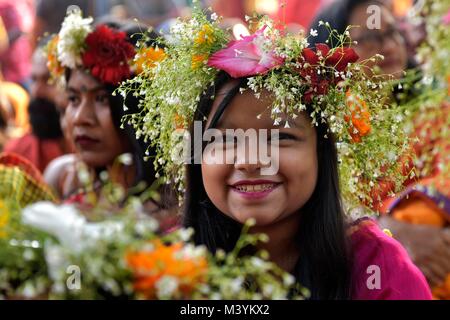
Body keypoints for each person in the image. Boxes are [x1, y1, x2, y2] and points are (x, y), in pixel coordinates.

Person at [122, 8, 432, 299]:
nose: (251, 160)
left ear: (322, 152)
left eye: (280, 136)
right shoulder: (163, 268)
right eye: (224, 139)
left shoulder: (379, 269)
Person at [310, 0, 450, 298]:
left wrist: (425, 229)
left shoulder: (435, 112)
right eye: (371, 38)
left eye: (393, 33)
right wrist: (387, 229)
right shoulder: (321, 129)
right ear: (332, 54)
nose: (387, 46)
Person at [42, 9, 176, 225]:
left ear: (146, 109)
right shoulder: (61, 178)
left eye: (102, 99)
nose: (80, 118)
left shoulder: (176, 207)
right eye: (74, 99)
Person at [4, 46, 68, 172]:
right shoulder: (16, 154)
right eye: (33, 79)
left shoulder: (94, 152)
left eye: (49, 80)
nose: (37, 91)